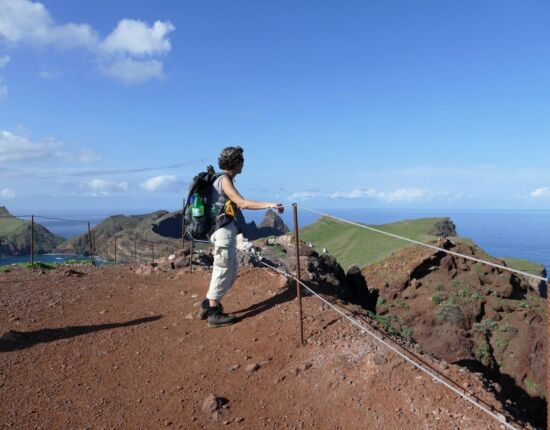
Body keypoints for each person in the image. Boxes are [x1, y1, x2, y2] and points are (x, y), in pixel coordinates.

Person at [198, 146, 284, 327]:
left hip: (224, 230)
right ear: (236, 162)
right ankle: (214, 313)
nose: (243, 163)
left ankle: (208, 304)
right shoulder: (224, 180)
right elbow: (242, 203)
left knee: (231, 270)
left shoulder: (223, 179)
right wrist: (270, 204)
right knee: (222, 269)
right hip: (222, 231)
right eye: (241, 160)